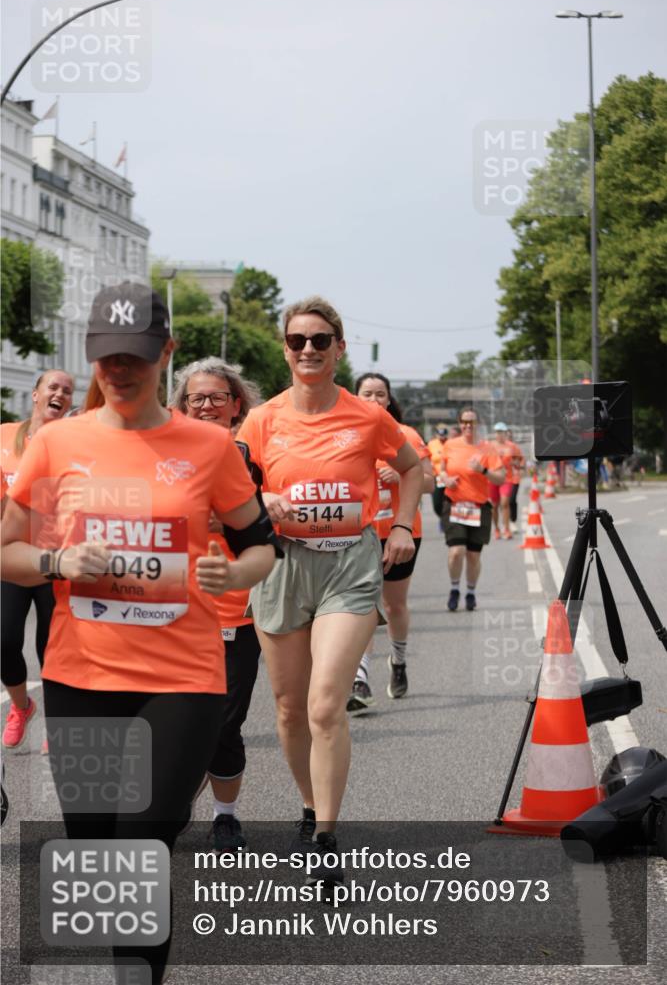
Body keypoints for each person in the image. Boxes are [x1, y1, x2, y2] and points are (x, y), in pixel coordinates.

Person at [1, 282, 277, 983]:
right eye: (107, 356)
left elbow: (261, 545)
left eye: (135, 355)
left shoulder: (208, 446)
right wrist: (58, 561)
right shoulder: (57, 443)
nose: (120, 369)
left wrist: (234, 573)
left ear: (166, 352)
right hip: (81, 674)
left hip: (182, 679)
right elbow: (8, 550)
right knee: (96, 847)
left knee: (141, 841)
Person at [237, 295, 423, 879]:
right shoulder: (262, 420)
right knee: (290, 709)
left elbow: (413, 468)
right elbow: (230, 484)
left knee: (324, 704)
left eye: (320, 340)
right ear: (285, 349)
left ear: (339, 348)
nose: (309, 349)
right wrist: (260, 498)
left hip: (350, 564)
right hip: (283, 566)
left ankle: (325, 836)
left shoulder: (367, 416)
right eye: (298, 341)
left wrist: (401, 526)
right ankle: (309, 803)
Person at [171, 357, 265, 854]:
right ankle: (171, 802)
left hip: (234, 613)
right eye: (196, 398)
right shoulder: (160, 453)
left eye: (216, 397)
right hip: (168, 613)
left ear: (235, 404)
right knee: (173, 722)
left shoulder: (251, 455)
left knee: (225, 725)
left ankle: (224, 817)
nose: (206, 406)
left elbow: (270, 523)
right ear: (182, 405)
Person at [347, 372, 434, 710]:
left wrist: (400, 475)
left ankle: (398, 660)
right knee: (364, 605)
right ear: (355, 397)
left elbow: (430, 482)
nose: (374, 400)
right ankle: (360, 678)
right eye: (367, 393)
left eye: (380, 394)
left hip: (402, 532)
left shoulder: (406, 434)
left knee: (394, 605)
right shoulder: (346, 435)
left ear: (389, 399)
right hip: (359, 534)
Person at [1, 369, 74, 749]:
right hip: (13, 559)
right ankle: (21, 706)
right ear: (35, 394)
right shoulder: (4, 436)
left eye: (67, 390)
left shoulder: (74, 445)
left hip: (56, 562)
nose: (60, 393)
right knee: (4, 642)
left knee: (53, 650)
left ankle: (56, 723)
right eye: (53, 387)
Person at [439, 406, 504, 611]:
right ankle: (454, 589)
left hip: (479, 507)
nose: (468, 425)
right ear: (460, 424)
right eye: (464, 422)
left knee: (473, 556)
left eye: (472, 422)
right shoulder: (450, 445)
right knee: (456, 552)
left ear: (478, 424)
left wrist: (483, 470)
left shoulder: (487, 449)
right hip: (455, 504)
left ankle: (470, 592)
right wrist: (446, 479)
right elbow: (441, 470)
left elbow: (501, 478)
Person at [489, 421, 523, 540]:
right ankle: (497, 529)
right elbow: (484, 460)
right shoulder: (490, 446)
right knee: (494, 505)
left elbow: (519, 461)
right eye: (498, 432)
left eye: (502, 432)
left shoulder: (512, 446)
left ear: (506, 433)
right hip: (493, 478)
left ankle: (507, 529)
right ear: (495, 433)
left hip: (506, 478)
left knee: (504, 503)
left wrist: (514, 463)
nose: (500, 434)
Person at [427, 423, 448, 519]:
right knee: (437, 503)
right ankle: (442, 517)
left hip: (448, 477)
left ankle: (446, 520)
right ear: (436, 434)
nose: (442, 437)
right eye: (440, 435)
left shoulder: (450, 444)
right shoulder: (432, 444)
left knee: (447, 501)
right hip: (436, 477)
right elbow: (427, 458)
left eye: (444, 435)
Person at [506, 428, 525, 530]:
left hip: (515, 478)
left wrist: (517, 464)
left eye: (510, 436)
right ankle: (507, 523)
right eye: (507, 436)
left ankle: (512, 521)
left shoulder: (516, 449)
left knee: (512, 499)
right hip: (504, 479)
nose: (508, 438)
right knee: (504, 501)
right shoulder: (501, 449)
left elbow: (521, 463)